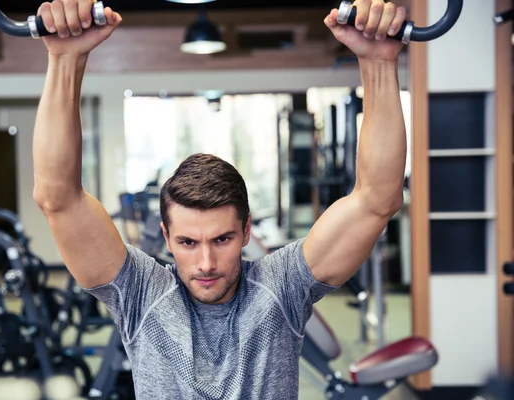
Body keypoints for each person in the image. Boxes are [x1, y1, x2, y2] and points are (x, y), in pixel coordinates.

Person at [32, 0, 407, 398]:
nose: (206, 264)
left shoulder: (281, 287)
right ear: (166, 235)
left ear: (246, 231)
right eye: (188, 243)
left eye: (222, 239)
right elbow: (58, 198)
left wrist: (380, 63)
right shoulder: (141, 293)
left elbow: (377, 199)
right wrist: (64, 58)